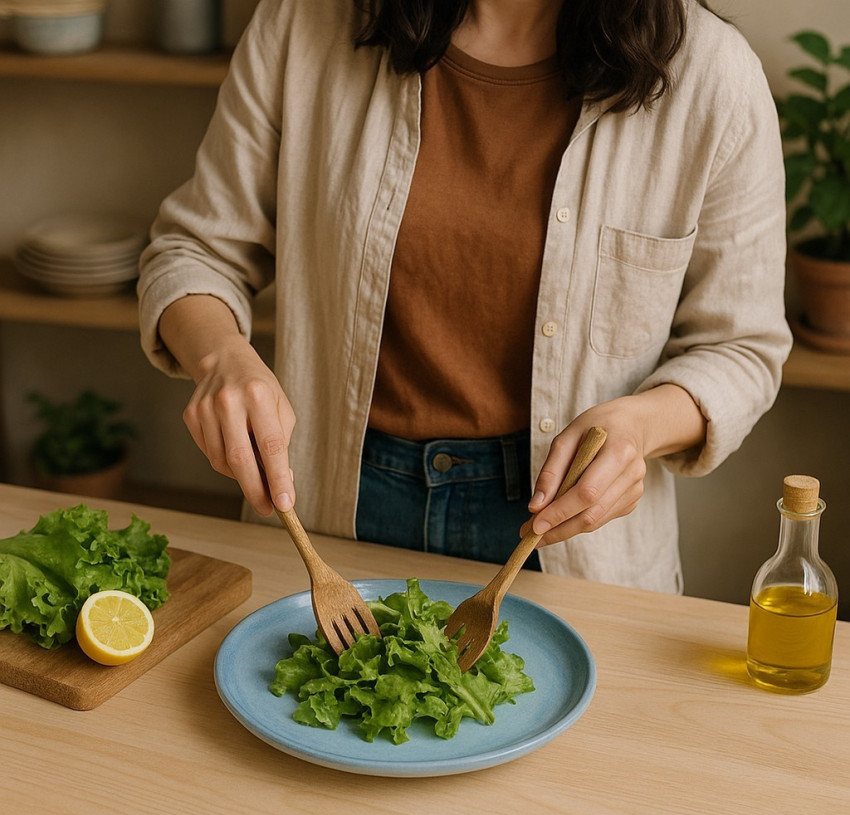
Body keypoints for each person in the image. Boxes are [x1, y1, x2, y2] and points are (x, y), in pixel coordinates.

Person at [138, 0, 791, 593]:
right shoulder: (303, 23)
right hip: (329, 508)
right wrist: (221, 355)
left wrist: (640, 428)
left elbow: (741, 348)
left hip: (567, 534)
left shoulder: (714, 77)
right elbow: (194, 252)